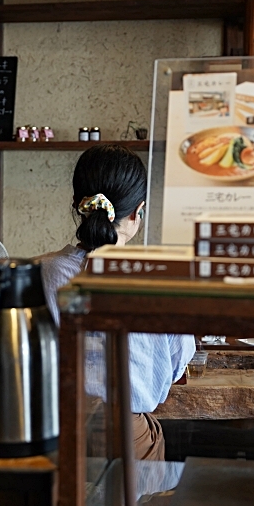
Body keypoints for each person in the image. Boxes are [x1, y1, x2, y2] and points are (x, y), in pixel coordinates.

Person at [38, 144, 196, 461]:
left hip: (54, 436)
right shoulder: (158, 278)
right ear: (138, 212)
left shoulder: (40, 271)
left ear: (77, 204)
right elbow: (178, 363)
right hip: (128, 438)